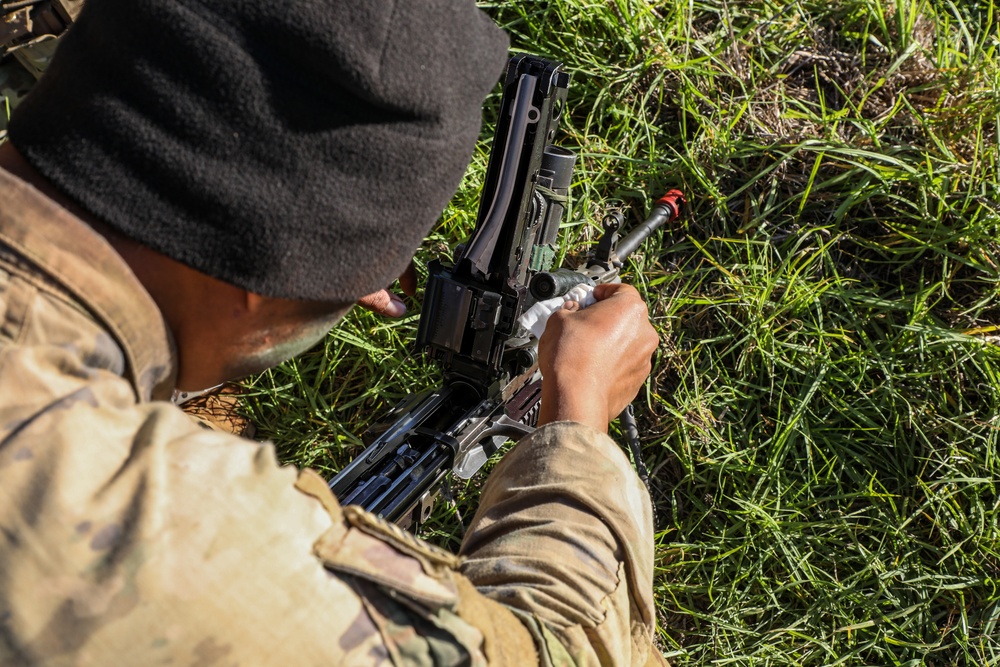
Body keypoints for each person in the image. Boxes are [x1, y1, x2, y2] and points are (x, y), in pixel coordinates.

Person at [0, 0, 664, 664]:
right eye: (370, 279)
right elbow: (558, 650)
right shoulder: (168, 538)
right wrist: (578, 411)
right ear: (260, 274)